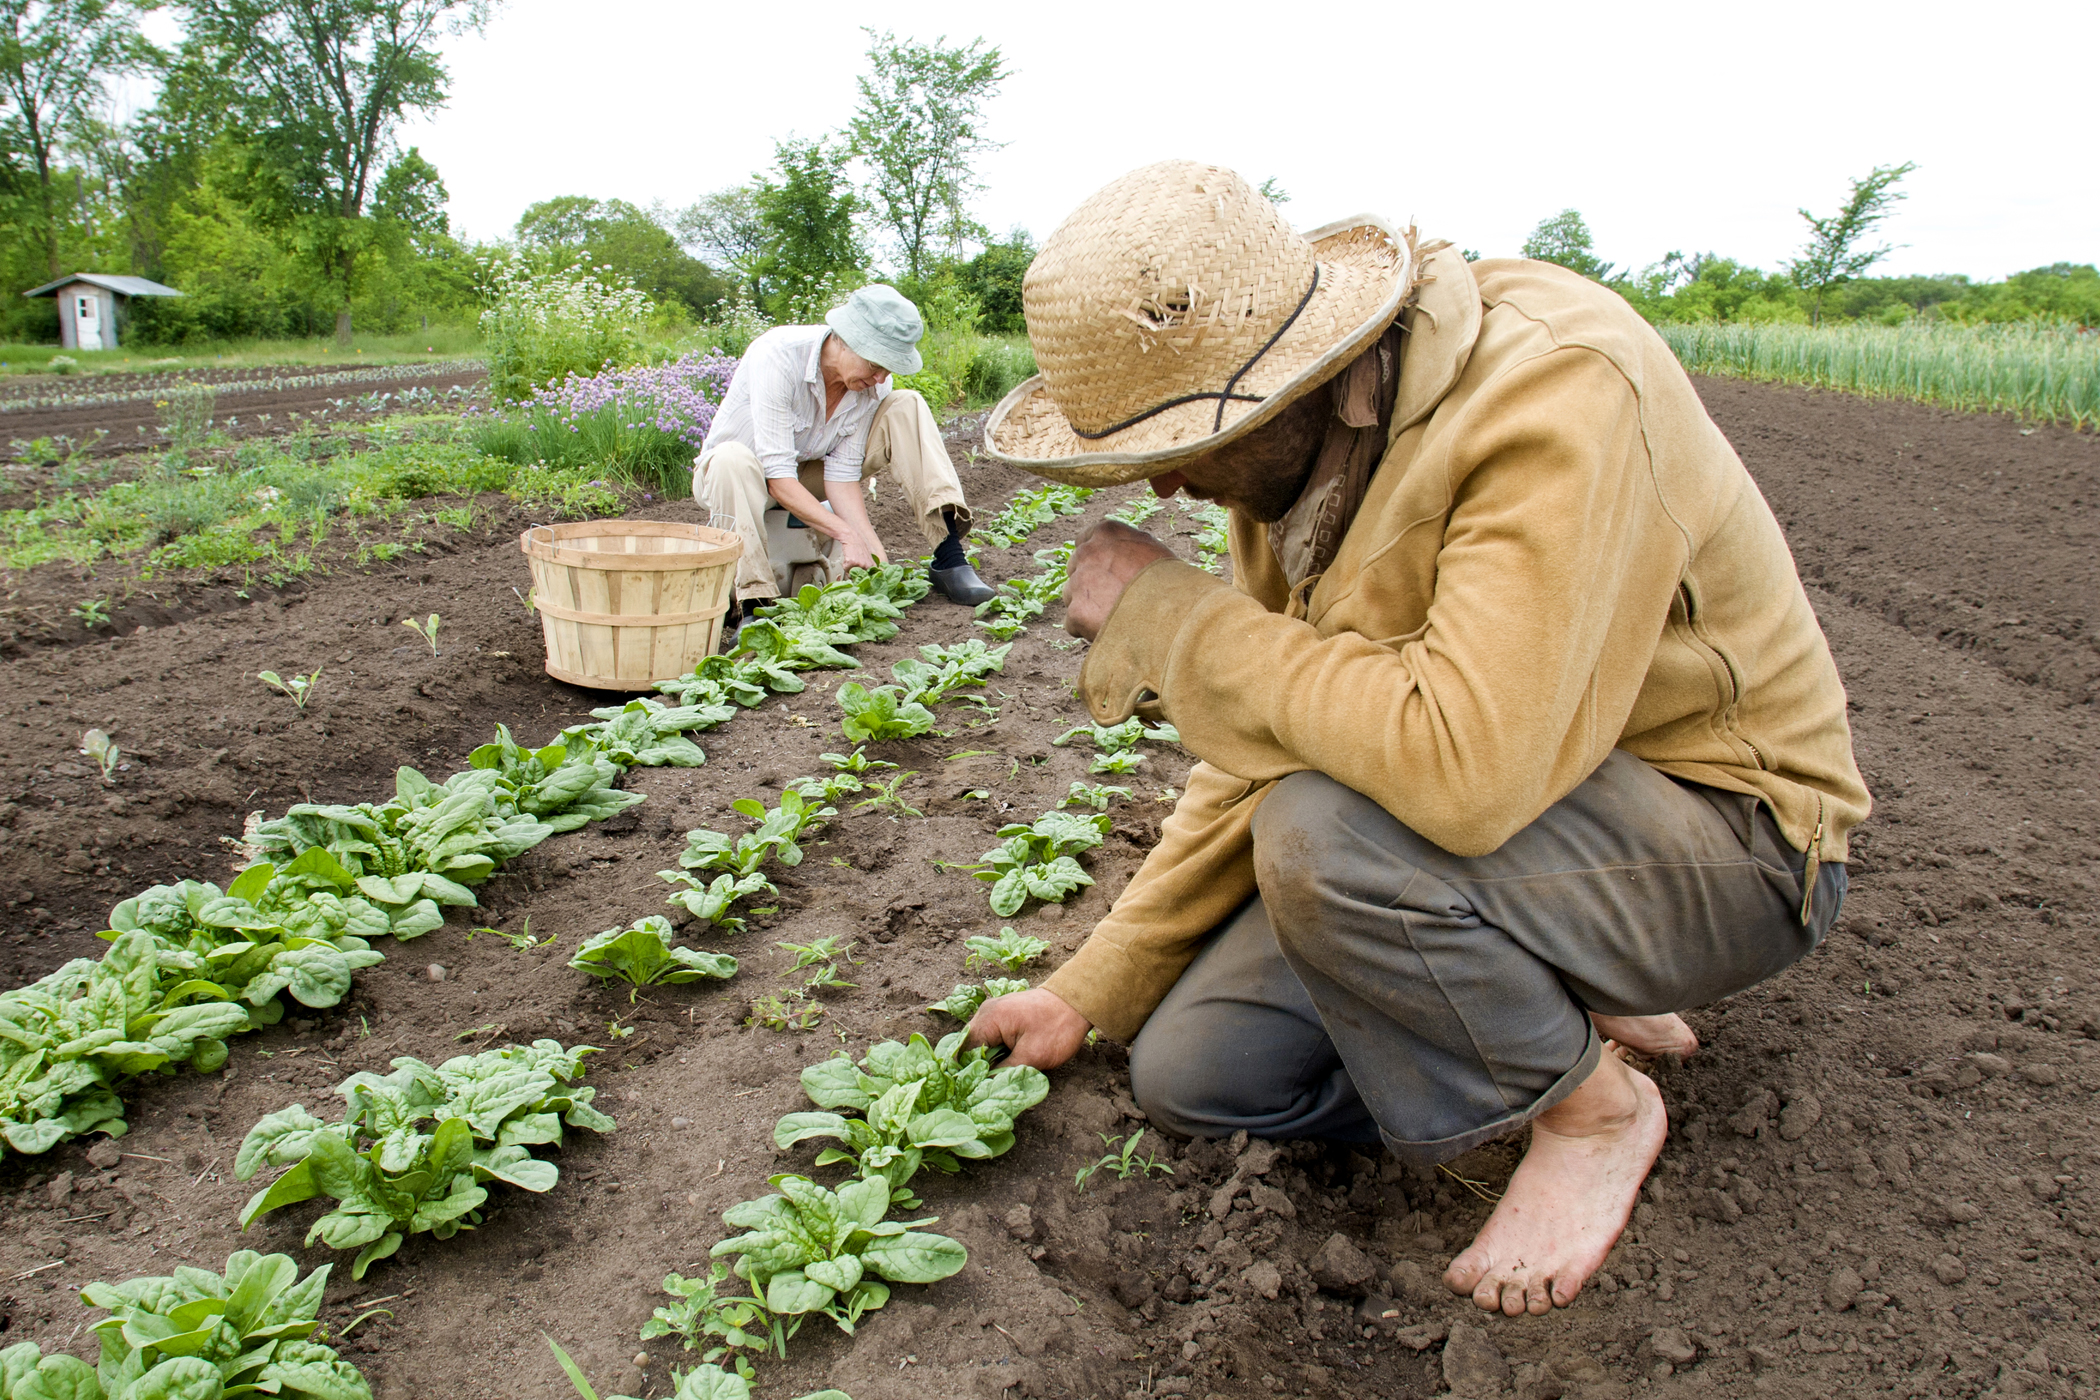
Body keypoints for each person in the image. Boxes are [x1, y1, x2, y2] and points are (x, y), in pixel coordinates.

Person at [965, 161, 1870, 1318]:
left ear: (1296, 378)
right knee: (1200, 1072)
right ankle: (1538, 994)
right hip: (1540, 815)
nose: (1177, 483)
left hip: (1728, 834)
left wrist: (1178, 621)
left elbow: (1465, 769)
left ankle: (1590, 1104)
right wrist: (1091, 986)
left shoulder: (1555, 387)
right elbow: (1268, 746)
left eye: (1185, 443)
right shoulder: (1292, 477)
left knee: (1327, 838)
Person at [693, 283, 996, 630]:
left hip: (806, 474)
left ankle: (949, 556)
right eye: (876, 363)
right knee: (733, 459)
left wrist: (874, 553)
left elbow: (841, 475)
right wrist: (847, 535)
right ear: (843, 339)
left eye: (889, 366)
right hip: (733, 478)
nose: (882, 377)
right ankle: (753, 605)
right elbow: (777, 476)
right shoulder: (777, 355)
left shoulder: (871, 383)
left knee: (906, 404)